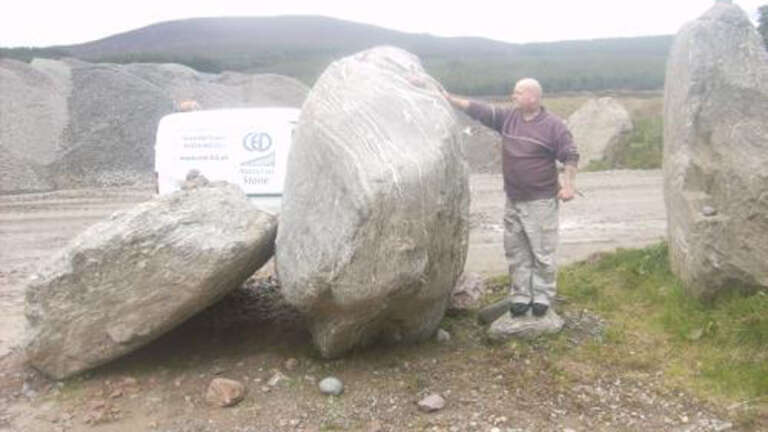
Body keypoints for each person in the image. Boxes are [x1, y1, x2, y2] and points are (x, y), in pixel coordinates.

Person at [443, 78, 579, 318]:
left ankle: (542, 297)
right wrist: (448, 97)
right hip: (513, 199)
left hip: (541, 201)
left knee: (541, 252)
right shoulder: (509, 119)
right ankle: (520, 296)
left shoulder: (553, 126)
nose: (512, 96)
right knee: (516, 251)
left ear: (533, 97)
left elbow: (570, 156)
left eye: (518, 92)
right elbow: (479, 109)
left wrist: (568, 186)